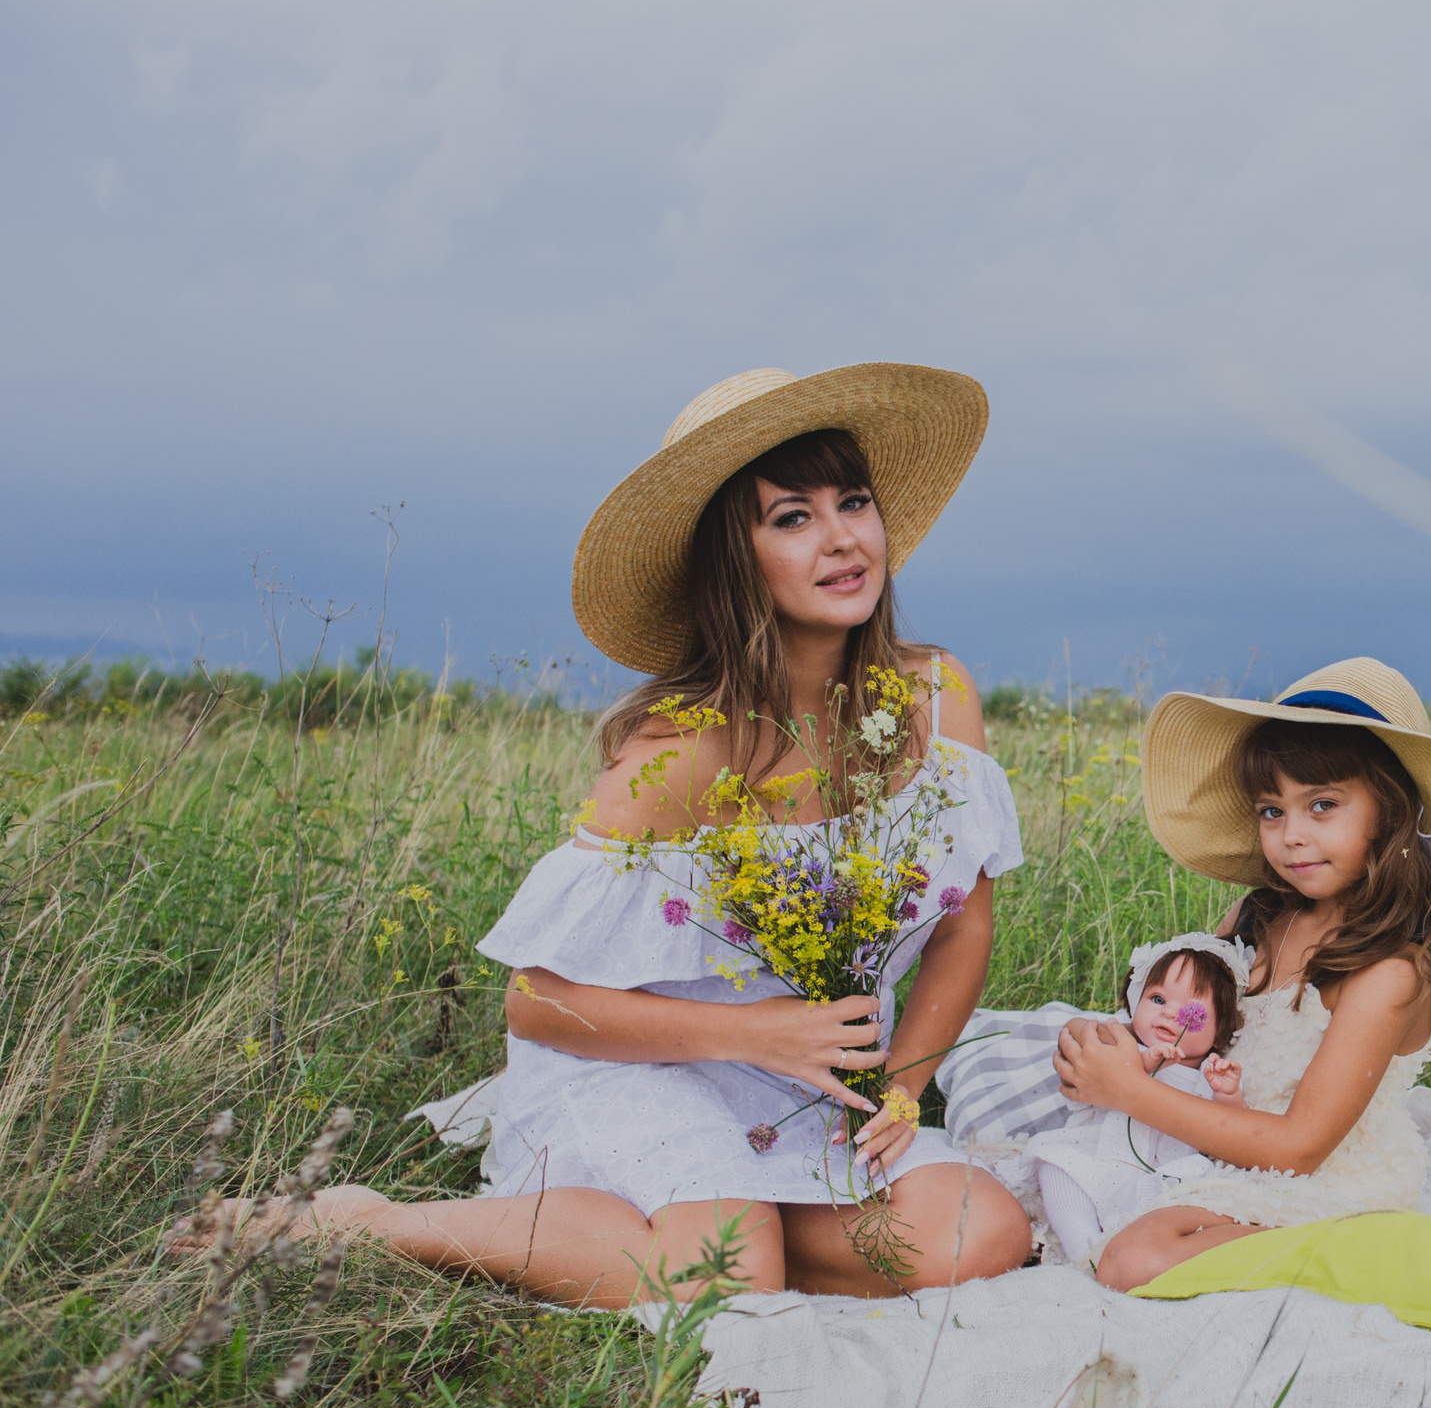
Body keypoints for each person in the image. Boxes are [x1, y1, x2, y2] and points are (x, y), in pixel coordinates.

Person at [178, 364, 1033, 1305]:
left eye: (854, 503)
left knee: (982, 1232)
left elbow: (962, 925)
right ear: (733, 559)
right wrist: (754, 1032)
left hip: (808, 1080)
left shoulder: (932, 696)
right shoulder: (682, 750)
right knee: (724, 1275)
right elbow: (537, 1002)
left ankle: (745, 1212)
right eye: (791, 517)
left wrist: (905, 1087)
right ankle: (369, 1223)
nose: (841, 539)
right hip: (649, 1062)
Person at [1052, 657, 1431, 1292]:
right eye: (1272, 811)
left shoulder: (1390, 971)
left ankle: (1360, 1251)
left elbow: (1301, 1148)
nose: (1291, 836)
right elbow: (1187, 1025)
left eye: (1322, 805)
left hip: (1326, 1178)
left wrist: (1130, 1093)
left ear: (1388, 812)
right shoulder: (1258, 915)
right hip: (1224, 1148)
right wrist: (1116, 1051)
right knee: (1068, 1189)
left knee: (1137, 1257)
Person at [1025, 934, 1250, 1264]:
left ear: (1218, 1030)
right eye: (1158, 1000)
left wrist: (1226, 1092)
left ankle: (1125, 1248)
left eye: (1191, 1009)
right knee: (1057, 1165)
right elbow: (1101, 1084)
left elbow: (1231, 1131)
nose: (1171, 1014)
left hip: (1161, 1173)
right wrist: (1143, 1063)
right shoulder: (1123, 1051)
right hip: (1101, 1159)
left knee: (1192, 1184)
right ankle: (1084, 1251)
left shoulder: (1208, 1072)